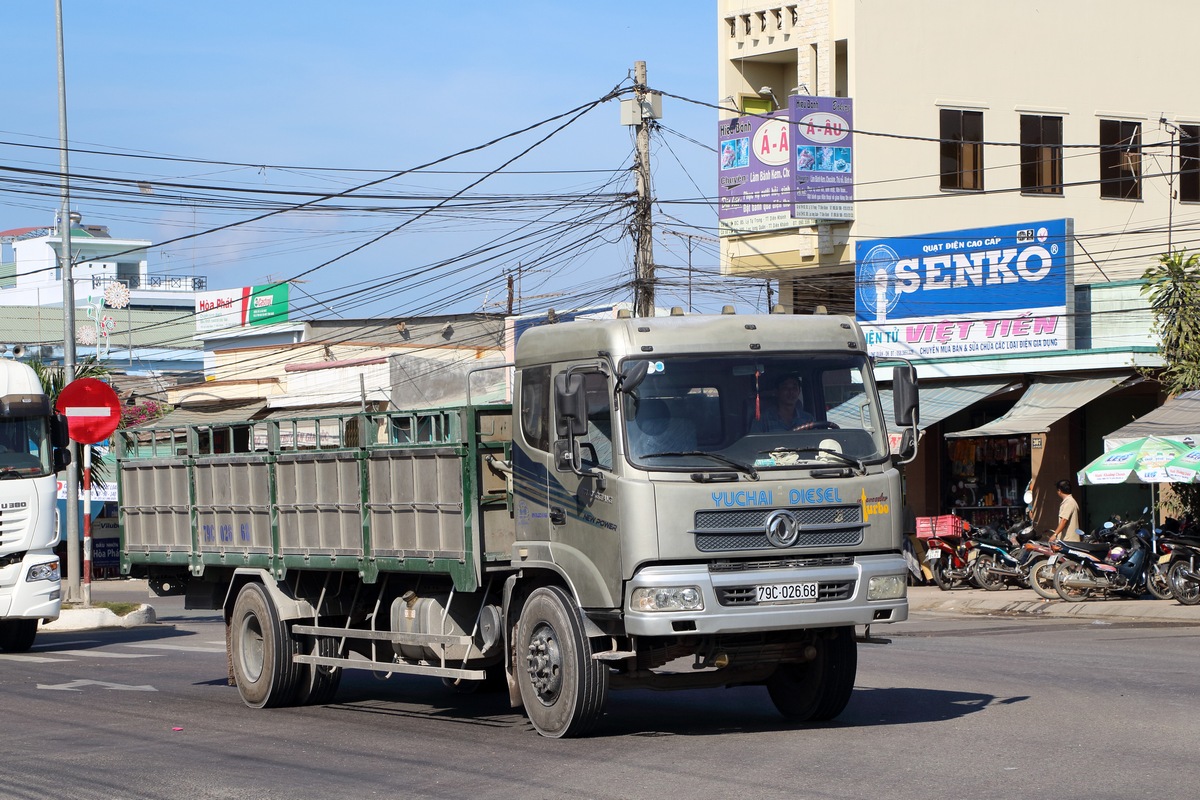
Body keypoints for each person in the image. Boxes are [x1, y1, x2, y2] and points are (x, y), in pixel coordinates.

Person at [750, 375, 815, 432]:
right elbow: (754, 444)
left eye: (794, 388)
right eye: (785, 388)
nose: (791, 392)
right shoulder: (762, 420)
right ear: (777, 392)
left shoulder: (808, 419)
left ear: (799, 392)